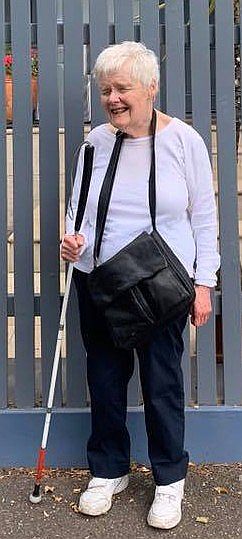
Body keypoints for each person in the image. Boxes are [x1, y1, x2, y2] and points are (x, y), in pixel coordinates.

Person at [61, 41, 220, 530]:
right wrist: (72, 241)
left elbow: (203, 217)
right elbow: (79, 207)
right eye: (105, 89)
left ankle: (169, 481)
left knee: (162, 386)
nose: (112, 98)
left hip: (159, 285)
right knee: (105, 384)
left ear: (151, 88)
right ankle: (109, 471)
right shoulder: (95, 144)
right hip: (102, 281)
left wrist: (204, 283)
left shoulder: (184, 141)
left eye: (122, 88)